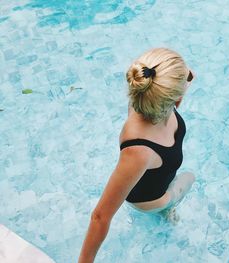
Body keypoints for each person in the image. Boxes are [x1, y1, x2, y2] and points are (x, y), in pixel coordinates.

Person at [78, 47, 195, 263]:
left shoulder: (144, 95)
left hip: (158, 177)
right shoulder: (138, 151)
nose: (191, 78)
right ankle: (165, 211)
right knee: (189, 178)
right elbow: (100, 216)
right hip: (151, 200)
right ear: (177, 99)